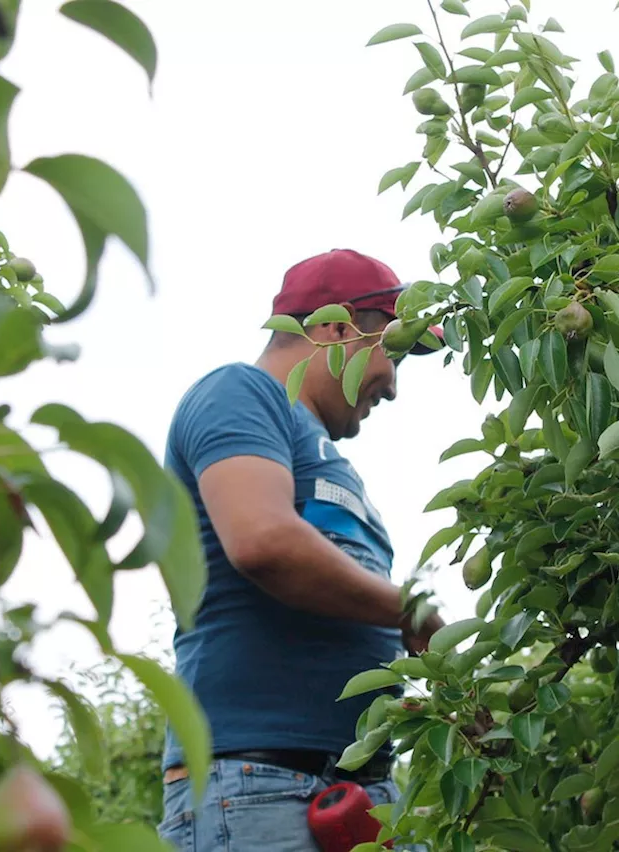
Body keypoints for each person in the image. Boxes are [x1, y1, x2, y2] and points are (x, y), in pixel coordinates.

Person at [156, 248, 446, 852]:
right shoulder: (240, 392)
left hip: (359, 794)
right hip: (262, 787)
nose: (392, 384)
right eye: (391, 352)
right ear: (336, 329)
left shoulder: (329, 461)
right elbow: (263, 543)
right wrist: (408, 611)